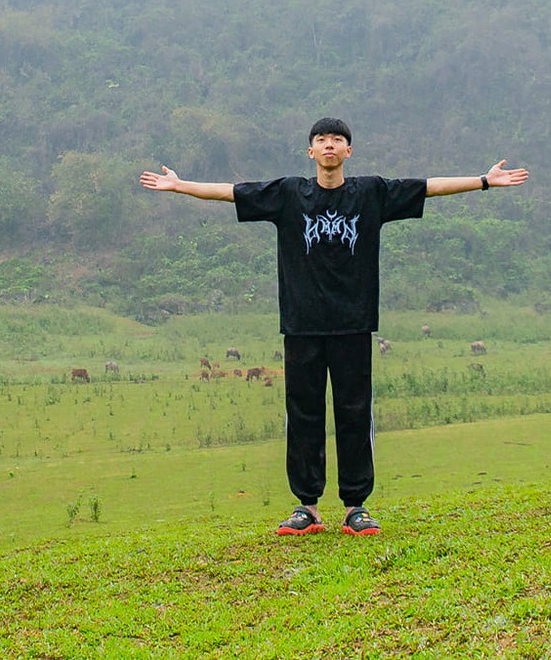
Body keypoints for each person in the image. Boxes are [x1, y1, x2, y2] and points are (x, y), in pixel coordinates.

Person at [139, 116, 529, 536]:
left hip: (353, 323)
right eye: (321, 140)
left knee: (354, 412)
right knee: (303, 414)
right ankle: (306, 507)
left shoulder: (370, 194)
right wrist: (179, 185)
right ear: (311, 152)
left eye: (337, 140)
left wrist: (484, 182)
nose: (329, 145)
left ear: (348, 151)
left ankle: (355, 507)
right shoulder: (290, 194)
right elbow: (231, 193)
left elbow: (428, 186)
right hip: (302, 325)